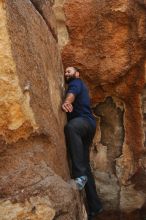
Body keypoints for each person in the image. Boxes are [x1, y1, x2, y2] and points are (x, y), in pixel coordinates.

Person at [62, 66, 103, 220]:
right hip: (88, 127)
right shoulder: (76, 84)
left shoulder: (77, 82)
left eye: (69, 71)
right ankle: (95, 206)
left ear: (77, 73)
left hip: (83, 123)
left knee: (71, 127)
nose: (67, 73)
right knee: (86, 165)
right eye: (65, 72)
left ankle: (79, 176)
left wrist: (66, 101)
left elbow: (72, 93)